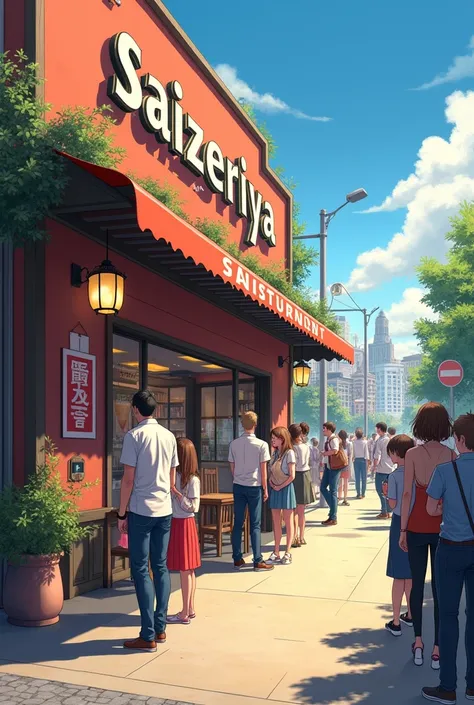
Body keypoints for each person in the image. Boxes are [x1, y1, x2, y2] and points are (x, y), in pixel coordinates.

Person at [118, 390, 177, 651]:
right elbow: (172, 476)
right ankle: (160, 629)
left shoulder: (134, 436)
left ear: (135, 409)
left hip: (141, 509)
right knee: (161, 567)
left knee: (141, 569)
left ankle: (148, 633)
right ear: (156, 410)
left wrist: (122, 513)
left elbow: (128, 479)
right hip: (164, 509)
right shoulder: (169, 436)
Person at [421, 413, 474, 704]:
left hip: (451, 548)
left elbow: (431, 510)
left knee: (449, 617)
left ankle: (448, 687)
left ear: (461, 439)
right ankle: (473, 685)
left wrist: (446, 509)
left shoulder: (444, 471)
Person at [399, 402, 453, 670]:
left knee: (417, 586)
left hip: (417, 527)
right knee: (441, 589)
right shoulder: (452, 455)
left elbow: (407, 495)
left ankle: (418, 641)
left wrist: (402, 529)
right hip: (444, 529)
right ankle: (437, 648)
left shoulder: (411, 455)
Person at [228, 411, 273, 572]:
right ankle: (257, 559)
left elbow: (232, 466)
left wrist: (238, 477)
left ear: (242, 424)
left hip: (238, 485)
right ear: (255, 425)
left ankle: (237, 558)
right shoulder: (262, 445)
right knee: (255, 524)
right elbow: (263, 469)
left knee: (238, 522)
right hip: (254, 486)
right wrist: (265, 488)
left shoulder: (234, 444)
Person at [167, 438, 201, 625]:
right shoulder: (175, 476)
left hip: (184, 523)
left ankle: (184, 613)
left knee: (185, 569)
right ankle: (190, 608)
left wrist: (177, 493)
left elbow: (193, 507)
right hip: (177, 522)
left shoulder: (193, 480)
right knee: (188, 570)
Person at [385, 434, 414, 637]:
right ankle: (411, 615)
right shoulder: (416, 474)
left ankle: (396, 621)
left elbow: (393, 504)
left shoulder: (394, 476)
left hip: (398, 523)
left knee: (398, 576)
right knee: (411, 573)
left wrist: (386, 493)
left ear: (396, 453)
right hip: (415, 524)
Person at [267, 427, 296, 565]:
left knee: (288, 522)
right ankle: (276, 551)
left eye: (274, 438)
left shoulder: (290, 453)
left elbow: (292, 475)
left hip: (285, 489)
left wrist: (279, 486)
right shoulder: (274, 454)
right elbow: (270, 472)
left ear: (282, 439)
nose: (272, 440)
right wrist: (272, 483)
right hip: (275, 489)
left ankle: (288, 552)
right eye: (272, 438)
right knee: (276, 522)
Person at [290, 423, 314, 547]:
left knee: (293, 510)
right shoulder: (306, 446)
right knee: (301, 511)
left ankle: (294, 537)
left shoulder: (292, 449)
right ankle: (302, 536)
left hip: (295, 477)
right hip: (306, 475)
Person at [320, 422, 347, 527]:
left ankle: (333, 516)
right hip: (329, 466)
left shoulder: (333, 439)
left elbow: (335, 451)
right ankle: (333, 508)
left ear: (329, 429)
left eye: (324, 428)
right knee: (323, 488)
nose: (323, 430)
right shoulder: (330, 439)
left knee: (333, 490)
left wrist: (324, 453)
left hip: (334, 467)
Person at [373, 422, 395, 519]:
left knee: (380, 490)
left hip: (382, 468)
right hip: (390, 468)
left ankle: (384, 511)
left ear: (379, 429)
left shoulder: (381, 440)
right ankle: (388, 510)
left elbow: (377, 455)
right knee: (387, 490)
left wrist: (374, 466)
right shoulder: (390, 439)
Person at [353, 428, 370, 499]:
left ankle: (358, 493)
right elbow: (366, 453)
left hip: (356, 460)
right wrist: (368, 461)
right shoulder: (365, 442)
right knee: (364, 477)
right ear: (362, 435)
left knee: (357, 478)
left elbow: (353, 452)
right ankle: (363, 493)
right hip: (363, 460)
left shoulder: (354, 442)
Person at [338, 430, 352, 507]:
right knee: (346, 483)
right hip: (346, 465)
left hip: (339, 465)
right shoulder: (349, 444)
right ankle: (345, 498)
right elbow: (351, 455)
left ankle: (339, 497)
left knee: (340, 482)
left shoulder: (339, 444)